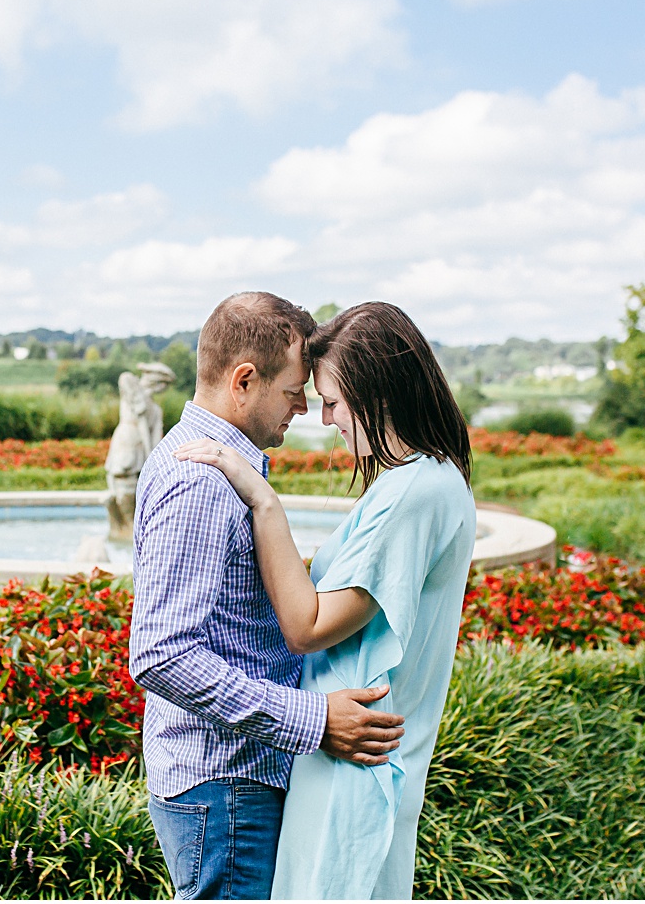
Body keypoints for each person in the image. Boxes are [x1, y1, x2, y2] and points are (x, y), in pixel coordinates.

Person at [174, 301, 476, 900]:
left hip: (354, 770)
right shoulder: (416, 481)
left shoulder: (414, 493)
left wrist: (263, 500)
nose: (325, 418)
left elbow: (307, 625)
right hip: (345, 759)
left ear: (379, 395)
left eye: (334, 402)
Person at [130, 292, 409, 901]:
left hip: (228, 785)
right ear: (244, 381)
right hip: (226, 788)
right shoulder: (199, 482)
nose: (306, 408)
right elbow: (160, 656)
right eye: (293, 392)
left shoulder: (215, 466)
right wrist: (313, 720)